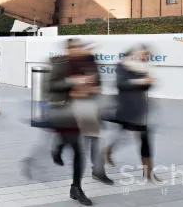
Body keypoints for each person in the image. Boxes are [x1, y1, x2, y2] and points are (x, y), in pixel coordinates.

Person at [48, 38, 103, 206]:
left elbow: (96, 82)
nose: (77, 50)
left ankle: (76, 187)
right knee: (74, 145)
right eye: (74, 48)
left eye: (79, 47)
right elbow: (51, 85)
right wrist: (73, 81)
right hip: (63, 110)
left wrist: (91, 87)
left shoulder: (87, 63)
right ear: (68, 49)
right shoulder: (61, 63)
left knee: (78, 151)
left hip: (81, 110)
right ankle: (57, 149)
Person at [105, 45, 158, 184]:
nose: (145, 57)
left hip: (140, 108)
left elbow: (147, 87)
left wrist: (148, 82)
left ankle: (148, 172)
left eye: (147, 55)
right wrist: (141, 81)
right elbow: (121, 84)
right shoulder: (122, 66)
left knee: (144, 137)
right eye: (144, 54)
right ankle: (108, 150)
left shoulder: (143, 68)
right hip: (126, 106)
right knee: (125, 133)